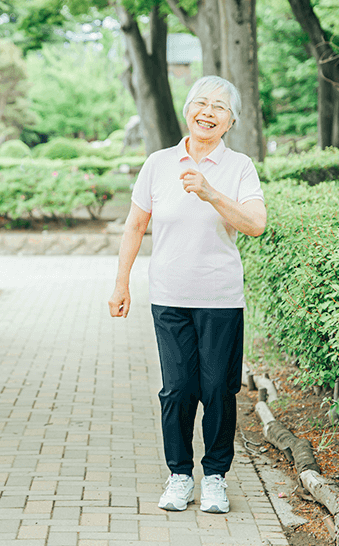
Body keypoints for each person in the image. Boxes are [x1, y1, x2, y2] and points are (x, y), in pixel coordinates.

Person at [108, 76, 266, 514]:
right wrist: (121, 283)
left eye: (219, 107)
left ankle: (214, 476)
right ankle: (179, 475)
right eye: (201, 102)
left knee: (218, 389)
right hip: (170, 296)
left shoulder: (239, 167)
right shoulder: (158, 163)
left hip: (220, 297)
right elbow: (135, 226)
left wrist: (210, 191)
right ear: (187, 110)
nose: (208, 112)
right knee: (177, 390)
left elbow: (255, 224)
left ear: (231, 120)